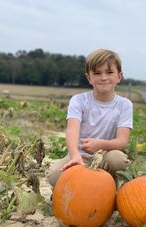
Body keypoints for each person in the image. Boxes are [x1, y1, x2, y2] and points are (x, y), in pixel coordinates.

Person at [46, 48, 133, 189]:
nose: (104, 77)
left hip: (105, 156)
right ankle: (83, 188)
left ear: (119, 76)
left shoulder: (124, 105)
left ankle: (109, 186)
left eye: (109, 72)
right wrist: (74, 155)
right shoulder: (79, 101)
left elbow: (122, 141)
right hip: (80, 156)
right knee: (54, 175)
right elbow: (72, 130)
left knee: (119, 160)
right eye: (97, 73)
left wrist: (99, 144)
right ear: (89, 78)